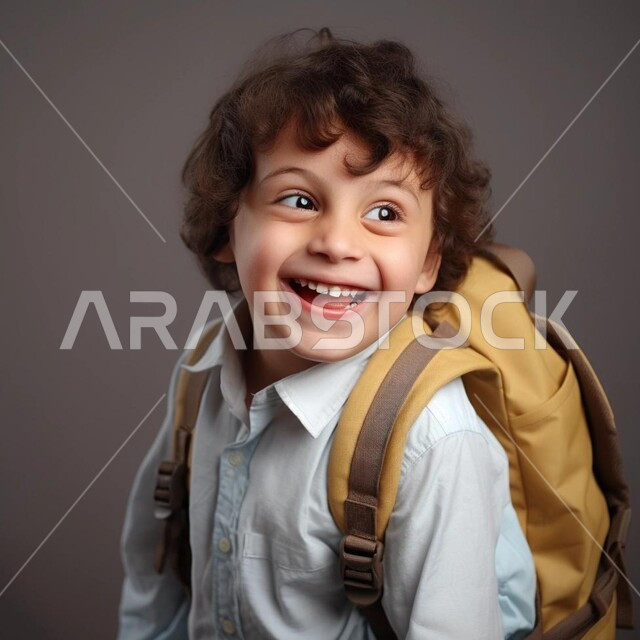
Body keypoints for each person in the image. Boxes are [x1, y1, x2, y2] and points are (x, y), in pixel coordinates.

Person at [117, 28, 537, 639]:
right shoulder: (200, 375)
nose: (338, 243)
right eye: (298, 199)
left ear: (427, 264)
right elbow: (153, 577)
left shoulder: (435, 440)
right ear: (226, 230)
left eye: (385, 213)